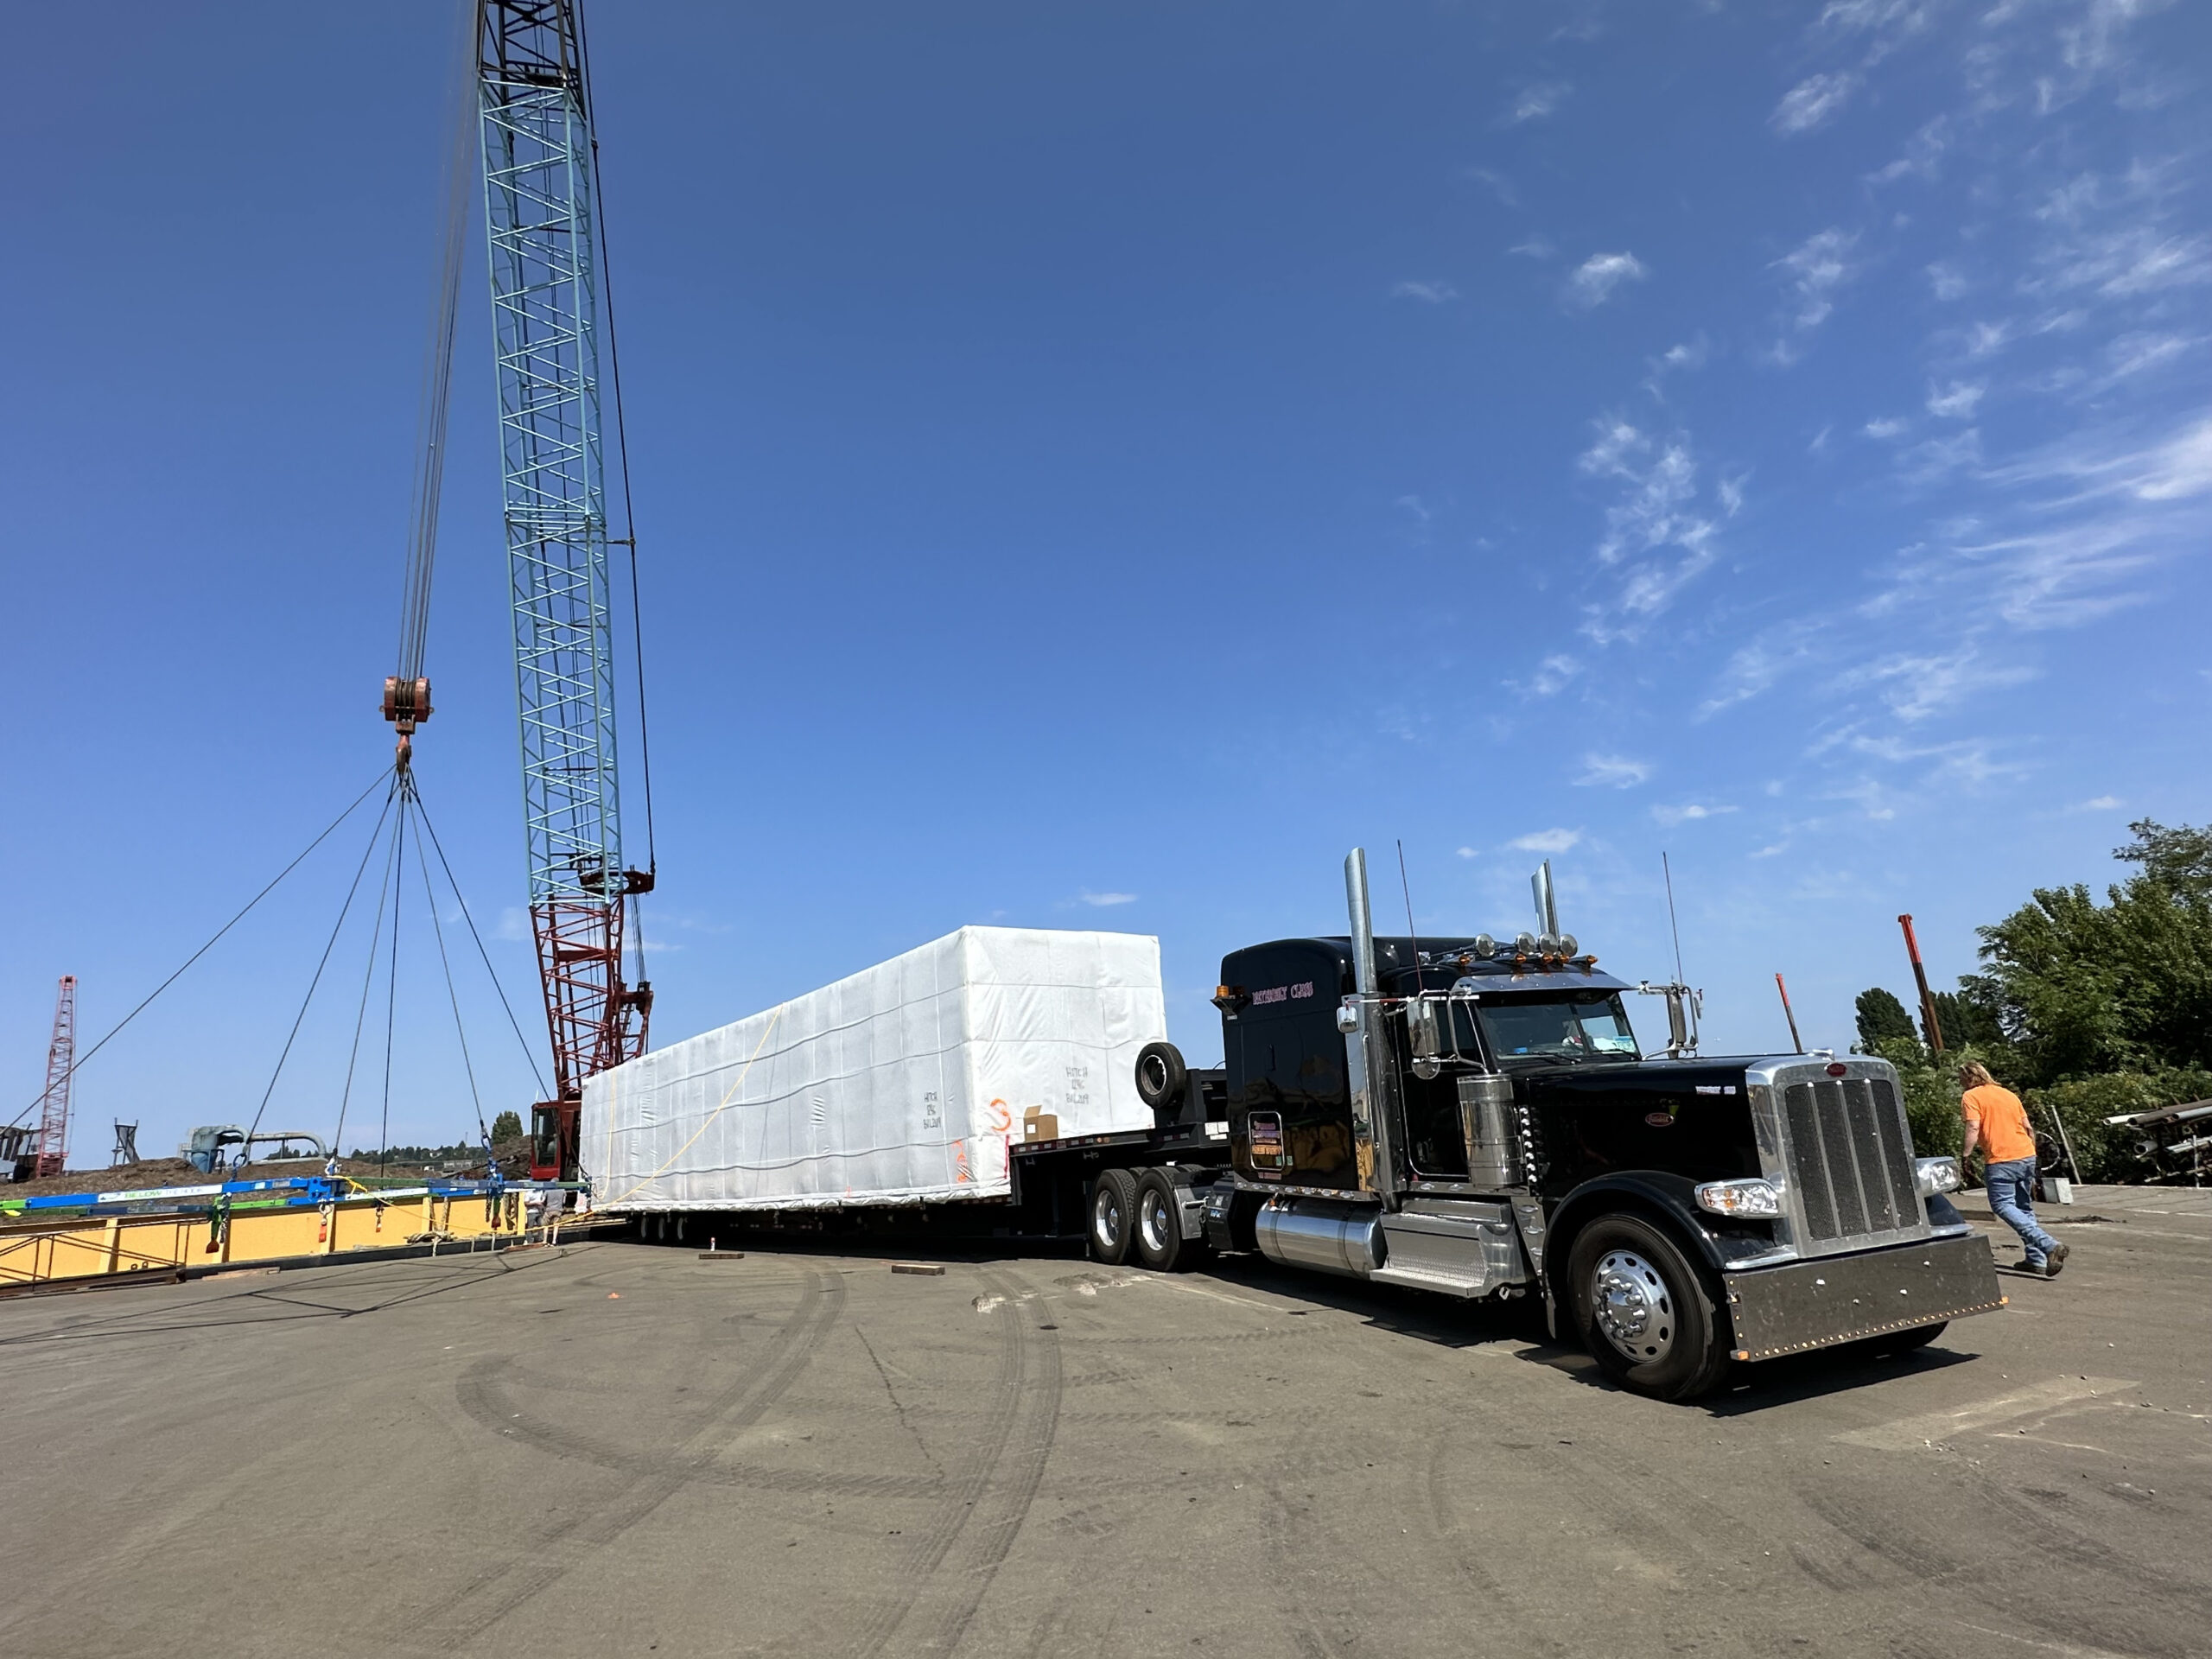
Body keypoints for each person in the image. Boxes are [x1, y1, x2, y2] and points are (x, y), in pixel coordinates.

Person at [1959, 1060, 2068, 1278]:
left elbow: (1973, 1126)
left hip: (2001, 1159)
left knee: (2002, 1205)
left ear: (1969, 1077)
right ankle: (2036, 1259)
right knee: (2023, 1207)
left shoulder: (1971, 1097)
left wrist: (1966, 1156)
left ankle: (2049, 1246)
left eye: (1960, 1078)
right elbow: (2028, 1127)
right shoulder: (2008, 1094)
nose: (1960, 1082)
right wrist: (2031, 1154)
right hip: (2026, 1154)